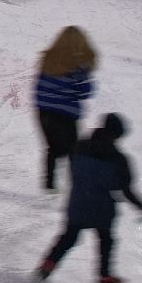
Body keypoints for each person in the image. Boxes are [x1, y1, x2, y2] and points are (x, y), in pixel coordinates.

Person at [36, 115, 142, 283]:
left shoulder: (80, 146)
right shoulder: (118, 159)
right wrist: (141, 206)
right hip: (101, 207)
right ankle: (105, 276)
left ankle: (48, 265)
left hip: (78, 202)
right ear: (116, 135)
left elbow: (73, 170)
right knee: (106, 240)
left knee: (68, 237)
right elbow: (125, 189)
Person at [35, 26, 96, 192]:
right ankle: (78, 186)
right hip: (65, 114)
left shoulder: (48, 58)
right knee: (73, 151)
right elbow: (86, 92)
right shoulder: (77, 65)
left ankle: (49, 184)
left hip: (43, 112)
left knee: (54, 148)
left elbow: (38, 85)